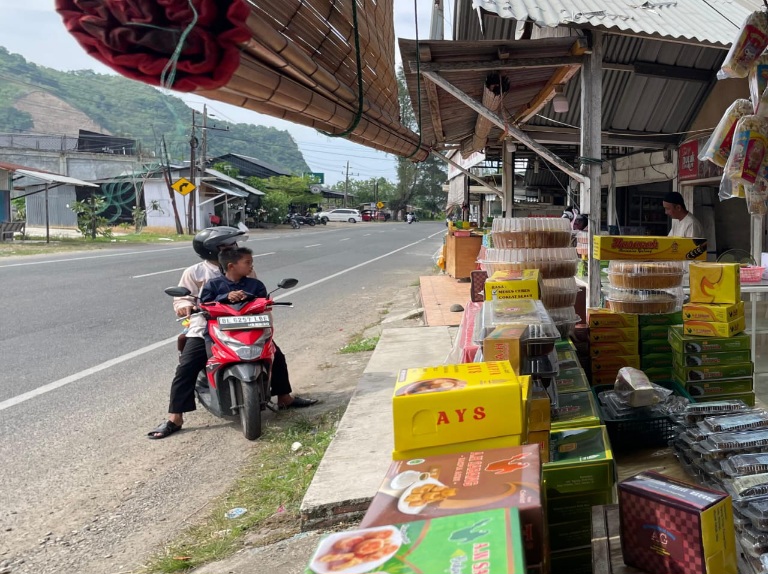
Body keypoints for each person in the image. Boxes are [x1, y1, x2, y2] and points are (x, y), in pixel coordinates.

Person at [148, 227, 317, 440]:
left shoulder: (245, 271)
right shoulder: (195, 272)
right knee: (187, 367)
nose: (233, 249)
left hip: (244, 325)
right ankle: (175, 417)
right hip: (206, 328)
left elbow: (258, 297)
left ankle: (284, 398)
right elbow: (183, 298)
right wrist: (184, 305)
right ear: (211, 250)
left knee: (276, 355)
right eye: (227, 246)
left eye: (233, 245)